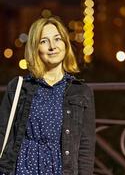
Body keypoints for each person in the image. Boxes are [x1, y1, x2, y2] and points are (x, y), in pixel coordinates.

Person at [0, 12, 95, 175]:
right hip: (23, 170)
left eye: (57, 39)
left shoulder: (81, 92)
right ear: (35, 48)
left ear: (65, 44)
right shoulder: (18, 88)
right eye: (44, 41)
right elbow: (3, 135)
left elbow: (85, 148)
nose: (52, 46)